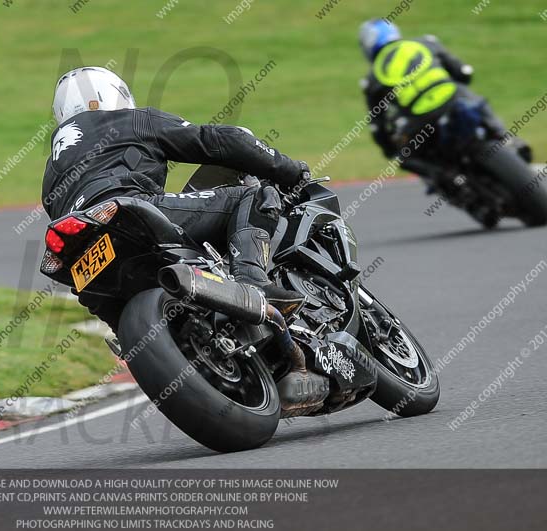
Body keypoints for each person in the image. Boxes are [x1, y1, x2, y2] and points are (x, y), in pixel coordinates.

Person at [42, 66, 314, 375]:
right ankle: (253, 281)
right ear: (116, 96)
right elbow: (214, 140)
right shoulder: (131, 119)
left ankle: (150, 340)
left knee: (106, 301)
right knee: (251, 196)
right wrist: (288, 169)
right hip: (130, 210)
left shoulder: (50, 174)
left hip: (81, 246)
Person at [358, 19, 532, 184]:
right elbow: (463, 73)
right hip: (453, 98)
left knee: (402, 156)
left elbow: (378, 127)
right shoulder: (425, 42)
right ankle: (505, 138)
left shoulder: (372, 79)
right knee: (472, 99)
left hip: (420, 121)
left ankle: (446, 178)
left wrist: (389, 148)